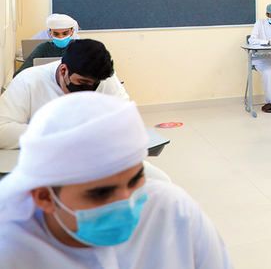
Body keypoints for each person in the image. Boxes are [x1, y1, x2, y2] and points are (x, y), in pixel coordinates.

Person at [0, 92, 232, 268]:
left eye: (135, 180)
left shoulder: (172, 210)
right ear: (44, 197)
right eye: (101, 193)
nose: (127, 201)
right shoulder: (11, 252)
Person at [0, 39, 128, 149]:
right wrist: (60, 133)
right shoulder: (29, 81)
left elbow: (126, 119)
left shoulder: (105, 79)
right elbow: (2, 130)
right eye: (82, 82)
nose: (88, 90)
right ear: (63, 70)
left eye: (95, 84)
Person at [15, 14, 81, 76]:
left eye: (65, 33)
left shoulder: (79, 47)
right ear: (50, 33)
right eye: (56, 34)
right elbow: (20, 72)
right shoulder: (43, 48)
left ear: (72, 32)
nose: (61, 37)